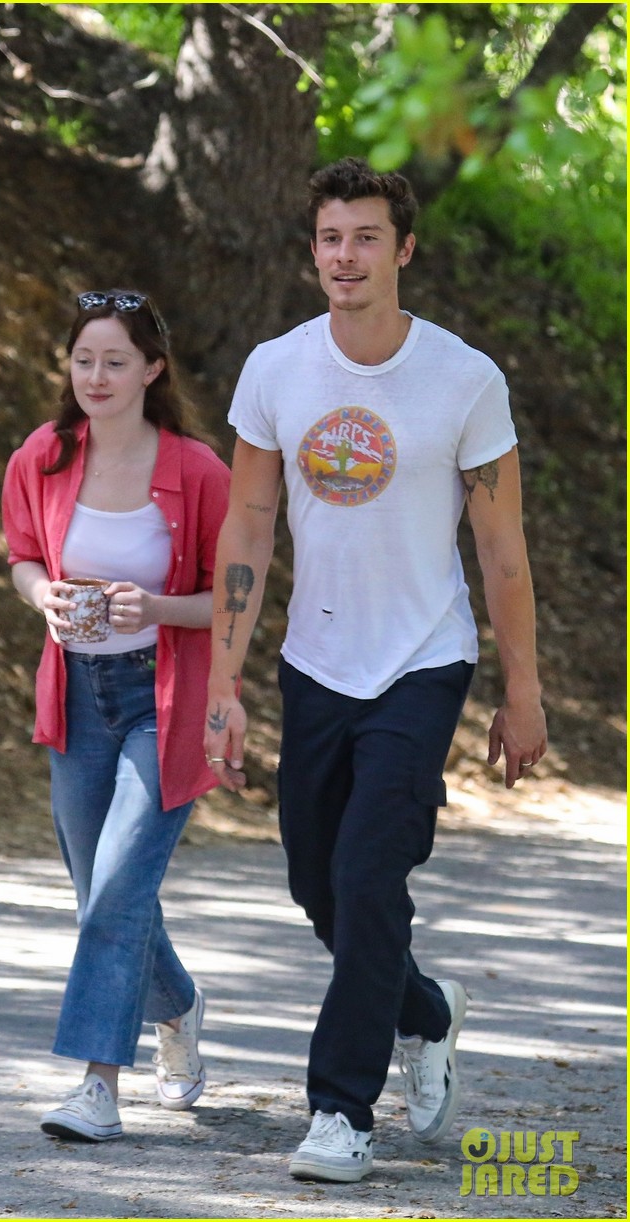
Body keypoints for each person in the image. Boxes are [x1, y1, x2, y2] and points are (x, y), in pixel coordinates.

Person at [203, 158, 547, 1183]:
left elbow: (502, 552)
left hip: (420, 661)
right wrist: (223, 684)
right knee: (320, 885)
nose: (344, 256)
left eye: (364, 238)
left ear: (403, 249)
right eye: (329, 238)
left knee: (366, 874)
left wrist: (521, 692)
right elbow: (249, 524)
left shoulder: (463, 380)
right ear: (312, 250)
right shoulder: (275, 369)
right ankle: (426, 1009)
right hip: (315, 658)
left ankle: (339, 1111)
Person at [3, 288, 230, 1143]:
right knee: (105, 895)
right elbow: (24, 555)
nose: (95, 376)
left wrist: (156, 611)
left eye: (115, 361)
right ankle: (178, 1005)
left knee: (115, 895)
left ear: (152, 370)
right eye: (82, 360)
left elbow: (232, 603)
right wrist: (44, 599)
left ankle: (97, 1086)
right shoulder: (45, 455)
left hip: (161, 701)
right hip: (77, 697)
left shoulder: (198, 472)